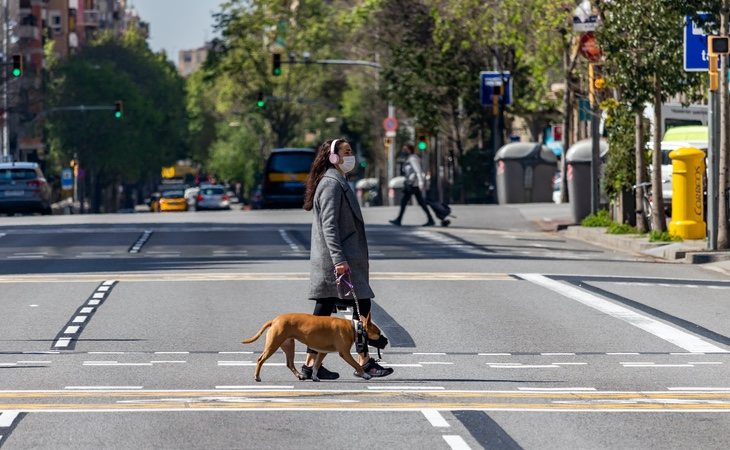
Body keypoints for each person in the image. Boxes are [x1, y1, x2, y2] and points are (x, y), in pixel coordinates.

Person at [301, 138, 394, 380]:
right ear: (333, 157)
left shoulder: (337, 181)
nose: (351, 156)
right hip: (338, 262)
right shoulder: (332, 184)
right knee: (360, 309)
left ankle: (310, 365)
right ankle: (364, 363)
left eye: (351, 151)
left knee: (323, 314)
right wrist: (339, 260)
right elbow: (329, 226)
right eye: (346, 152)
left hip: (338, 261)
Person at [389, 143, 435, 227]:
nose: (404, 151)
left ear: (410, 150)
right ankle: (430, 219)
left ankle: (399, 220)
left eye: (405, 149)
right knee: (420, 202)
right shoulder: (409, 158)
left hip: (413, 184)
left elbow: (418, 170)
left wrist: (421, 182)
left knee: (404, 201)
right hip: (412, 184)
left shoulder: (413, 158)